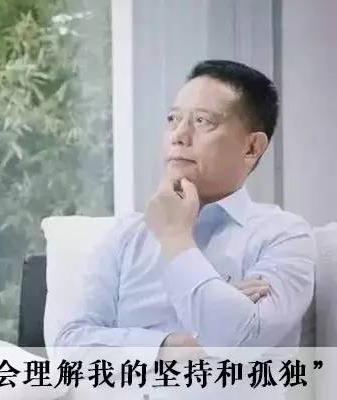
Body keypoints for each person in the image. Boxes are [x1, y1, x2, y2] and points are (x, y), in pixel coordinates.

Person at [53, 60, 315, 361]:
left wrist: (175, 238)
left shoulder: (283, 236)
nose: (178, 135)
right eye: (173, 119)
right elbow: (69, 346)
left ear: (251, 147)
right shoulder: (126, 236)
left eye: (202, 121)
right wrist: (164, 346)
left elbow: (239, 339)